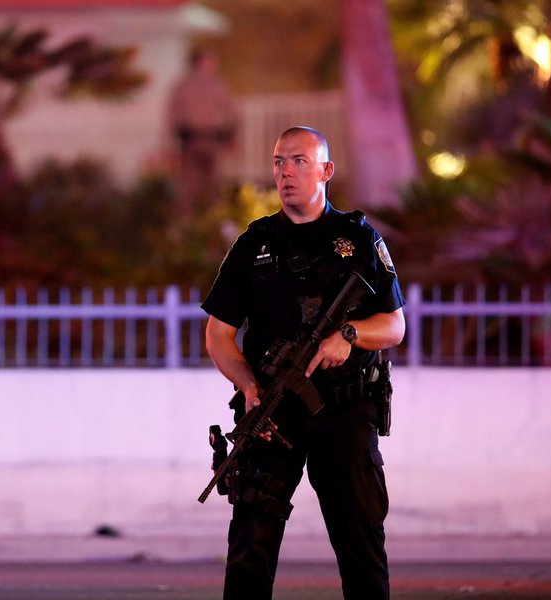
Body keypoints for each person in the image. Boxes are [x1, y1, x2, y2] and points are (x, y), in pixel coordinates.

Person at [201, 126, 406, 599]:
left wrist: (348, 336)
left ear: (325, 171)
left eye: (297, 161)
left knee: (360, 544)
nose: (285, 172)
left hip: (345, 412)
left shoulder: (357, 238)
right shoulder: (254, 245)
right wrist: (249, 385)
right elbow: (218, 335)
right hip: (272, 414)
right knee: (250, 548)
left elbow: (395, 326)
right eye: (278, 162)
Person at [167, 48, 238, 216]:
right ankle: (207, 223)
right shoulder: (216, 86)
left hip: (196, 140)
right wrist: (231, 137)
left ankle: (191, 225)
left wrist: (169, 144)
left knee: (193, 188)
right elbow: (232, 114)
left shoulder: (182, 86)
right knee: (205, 187)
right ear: (201, 62)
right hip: (202, 140)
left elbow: (171, 116)